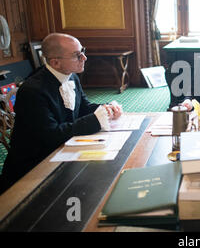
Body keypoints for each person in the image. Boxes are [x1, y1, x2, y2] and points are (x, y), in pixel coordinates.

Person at [0, 33, 123, 194]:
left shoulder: (71, 76)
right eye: (77, 55)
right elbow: (52, 135)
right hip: (34, 169)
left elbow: (83, 108)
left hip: (61, 151)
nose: (84, 58)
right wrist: (95, 120)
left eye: (82, 51)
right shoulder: (32, 91)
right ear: (55, 62)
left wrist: (106, 108)